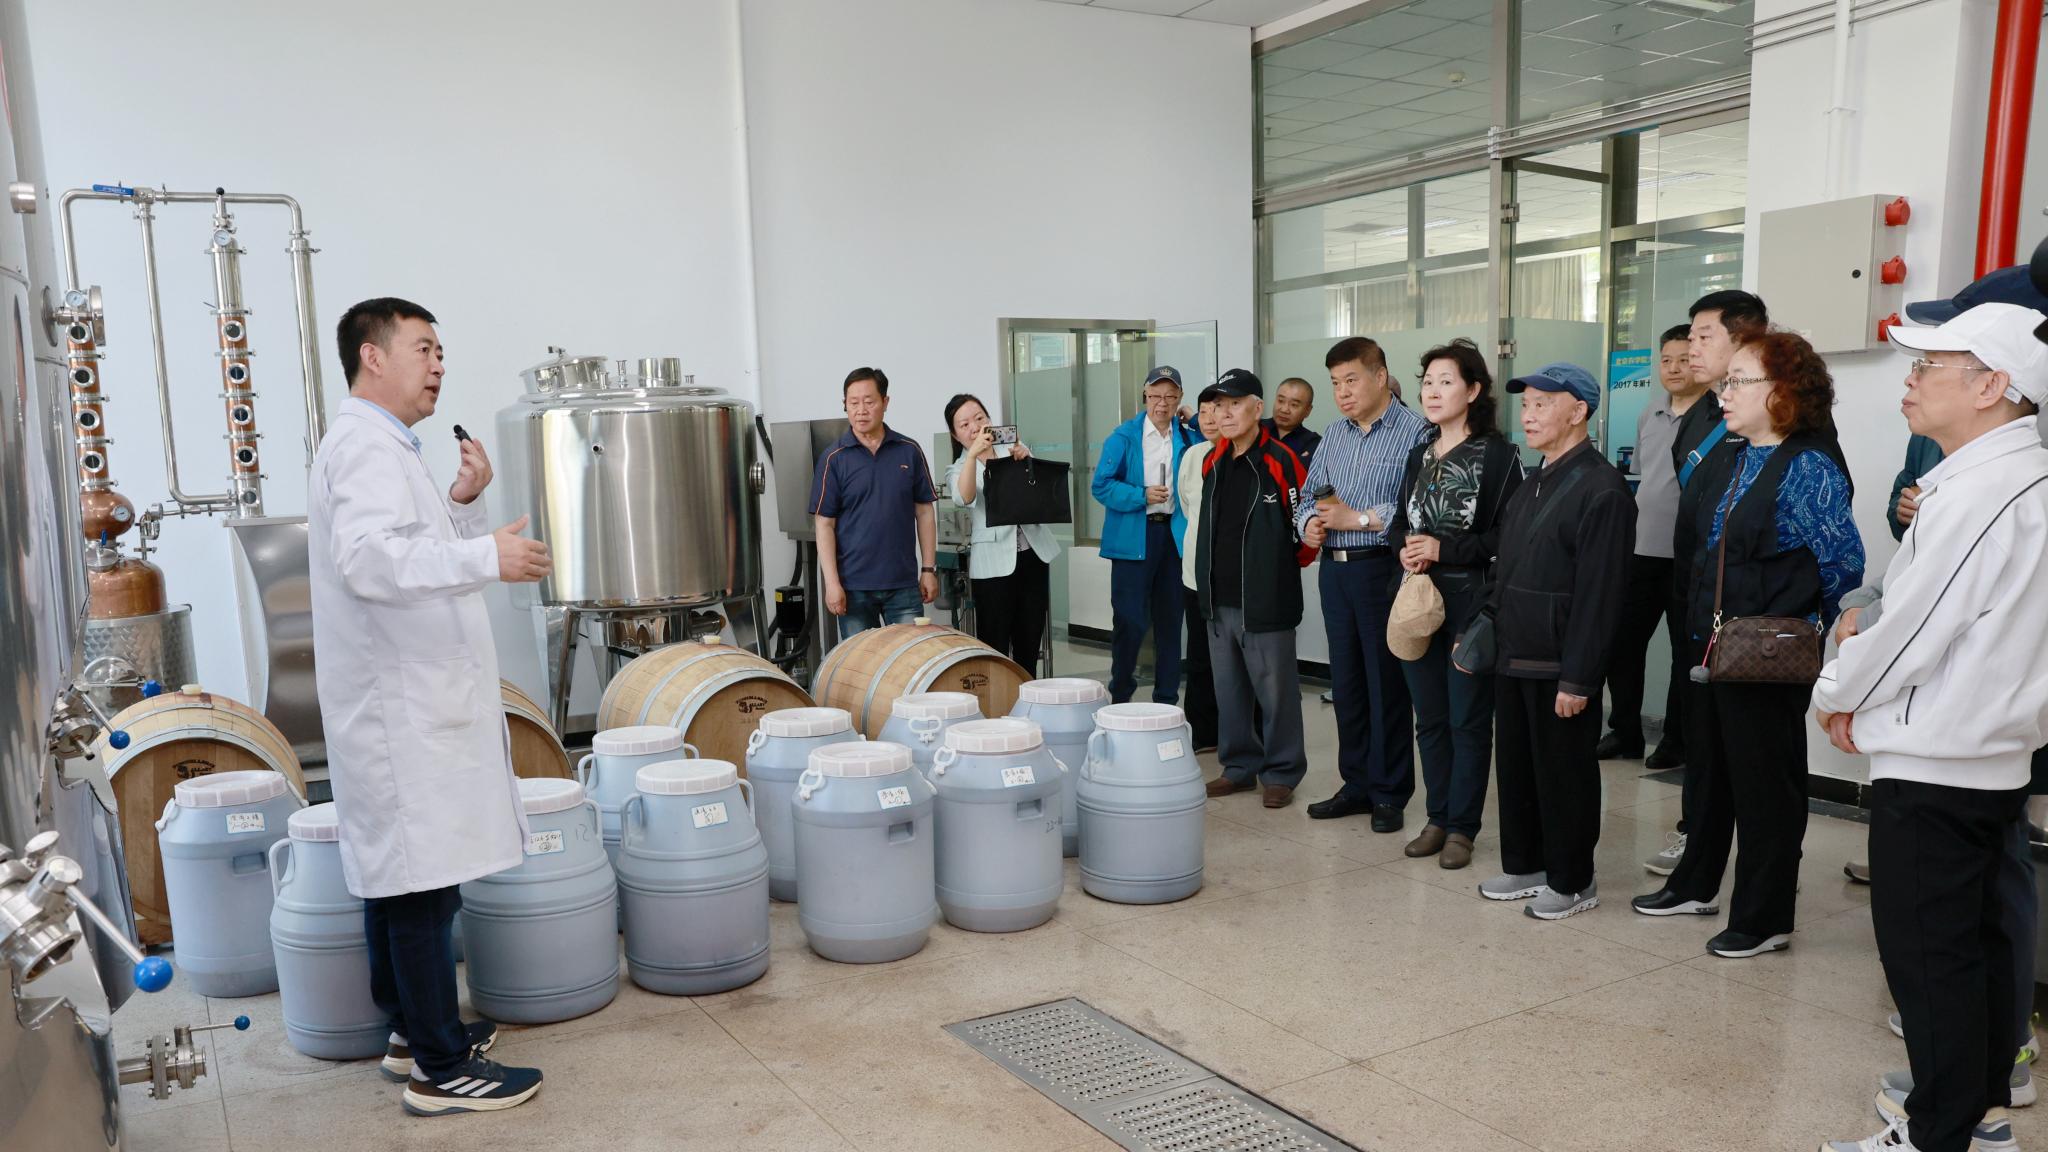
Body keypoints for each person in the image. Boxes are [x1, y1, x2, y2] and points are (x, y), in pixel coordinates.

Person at [1818, 301, 2048, 1152]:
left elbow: (1912, 630)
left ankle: (1937, 1134)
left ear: (1992, 386)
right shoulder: (2013, 478)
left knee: (1930, 958)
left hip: (1938, 761)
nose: (1909, 382)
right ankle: (1976, 1119)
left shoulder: (1979, 494)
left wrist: (1837, 693)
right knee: (1977, 946)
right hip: (1987, 752)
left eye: (1927, 367)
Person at [308, 298, 547, 1116]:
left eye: (441, 350)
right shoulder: (363, 447)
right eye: (423, 348)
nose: (439, 363)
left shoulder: (387, 447)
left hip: (409, 699)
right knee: (417, 886)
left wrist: (464, 503)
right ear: (373, 357)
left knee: (406, 880)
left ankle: (412, 1031)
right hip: (398, 708)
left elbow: (419, 548)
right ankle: (440, 1071)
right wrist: (486, 553)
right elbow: (372, 561)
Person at [1629, 332, 1863, 959]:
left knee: (1765, 788)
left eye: (1739, 381)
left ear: (1782, 390)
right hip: (1711, 645)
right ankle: (1695, 884)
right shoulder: (1734, 455)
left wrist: (1816, 639)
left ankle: (1765, 917)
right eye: (1726, 381)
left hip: (1767, 654)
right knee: (1708, 772)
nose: (1725, 393)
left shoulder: (1807, 465)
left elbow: (1842, 566)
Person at [1468, 362, 1633, 920]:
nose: (1529, 415)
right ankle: (1526, 864)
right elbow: (1506, 568)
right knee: (1517, 768)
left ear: (1578, 411)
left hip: (1561, 663)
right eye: (1526, 404)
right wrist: (1483, 630)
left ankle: (1573, 879)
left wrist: (1579, 677)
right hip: (1514, 652)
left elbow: (1601, 596)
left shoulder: (1603, 489)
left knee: (1564, 774)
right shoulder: (1532, 481)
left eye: (1543, 404)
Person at [1646, 290, 1772, 878]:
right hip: (1696, 596)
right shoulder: (1702, 413)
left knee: (1752, 747)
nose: (1690, 349)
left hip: (1752, 615)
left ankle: (1760, 865)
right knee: (1700, 729)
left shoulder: (1782, 418)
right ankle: (1697, 840)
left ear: (1743, 339)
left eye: (1703, 337)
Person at [1387, 339, 1523, 870]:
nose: (1433, 391)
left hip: (1472, 598)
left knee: (1468, 718)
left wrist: (1446, 549)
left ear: (1473, 391)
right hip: (1419, 597)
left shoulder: (1498, 456)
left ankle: (1463, 828)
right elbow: (1401, 520)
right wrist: (1404, 546)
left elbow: (1509, 537)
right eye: (1427, 382)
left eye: (1446, 382)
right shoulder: (1418, 452)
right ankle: (1437, 818)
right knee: (1429, 718)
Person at [1296, 337, 1431, 830]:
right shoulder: (1334, 434)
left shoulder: (1417, 432)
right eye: (1335, 383)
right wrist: (1308, 524)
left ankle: (1390, 792)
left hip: (1382, 569)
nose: (1343, 392)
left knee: (1385, 683)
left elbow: (1419, 505)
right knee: (1347, 683)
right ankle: (1355, 784)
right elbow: (1306, 496)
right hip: (1334, 571)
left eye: (1351, 380)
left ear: (1380, 377)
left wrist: (1359, 518)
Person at [1199, 370, 1316, 808]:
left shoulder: (1281, 460)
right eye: (1219, 405)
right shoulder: (1213, 461)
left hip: (1266, 600)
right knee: (1229, 691)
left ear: (1257, 408)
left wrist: (1277, 574)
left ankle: (1282, 771)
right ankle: (1239, 767)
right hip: (1219, 598)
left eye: (1234, 403)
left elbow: (1304, 528)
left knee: (1276, 692)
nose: (1225, 413)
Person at [1599, 324, 1700, 768]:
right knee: (1620, 644)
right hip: (1640, 550)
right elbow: (1645, 477)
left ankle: (1676, 740)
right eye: (1666, 360)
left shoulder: (1716, 418)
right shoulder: (1649, 413)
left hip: (1688, 557)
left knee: (1685, 654)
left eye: (1684, 359)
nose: (1674, 368)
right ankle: (1625, 733)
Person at [1092, 366, 1200, 705]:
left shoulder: (1188, 437)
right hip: (1134, 538)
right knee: (1130, 621)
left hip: (1173, 538)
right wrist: (1141, 495)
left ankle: (1166, 701)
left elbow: (1216, 448)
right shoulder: (1123, 437)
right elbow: (1101, 486)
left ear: (1179, 399)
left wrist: (1196, 420)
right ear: (1145, 395)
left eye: (1169, 396)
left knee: (1171, 622)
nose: (1161, 403)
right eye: (1155, 396)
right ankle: (1120, 696)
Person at [812, 367, 939, 640]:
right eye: (853, 403)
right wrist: (832, 584)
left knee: (909, 659)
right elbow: (824, 524)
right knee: (861, 663)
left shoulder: (909, 450)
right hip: (853, 588)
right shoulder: (834, 458)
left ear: (885, 402)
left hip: (903, 585)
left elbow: (925, 512)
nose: (861, 410)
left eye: (869, 402)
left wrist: (928, 569)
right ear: (845, 405)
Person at [944, 394, 1059, 676]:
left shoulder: (1014, 450)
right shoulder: (959, 467)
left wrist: (1028, 460)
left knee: (1029, 641)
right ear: (955, 435)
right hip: (993, 566)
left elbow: (1041, 493)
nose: (974, 427)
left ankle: (1028, 695)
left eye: (979, 418)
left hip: (1032, 555)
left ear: (990, 420)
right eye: (965, 424)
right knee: (994, 643)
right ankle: (999, 700)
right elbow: (964, 496)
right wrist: (973, 455)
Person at [1177, 393, 1224, 751]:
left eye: (1215, 411)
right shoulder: (1192, 455)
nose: (1207, 419)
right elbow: (1187, 506)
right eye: (1203, 412)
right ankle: (1203, 731)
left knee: (1236, 660)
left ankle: (1239, 733)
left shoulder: (1242, 455)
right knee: (1199, 655)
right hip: (1195, 573)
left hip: (1232, 577)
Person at [1261, 376, 1322, 470]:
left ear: (1308, 410)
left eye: (1294, 405)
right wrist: (1294, 461)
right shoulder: (1255, 429)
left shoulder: (1314, 443)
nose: (1284, 409)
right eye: (1280, 401)